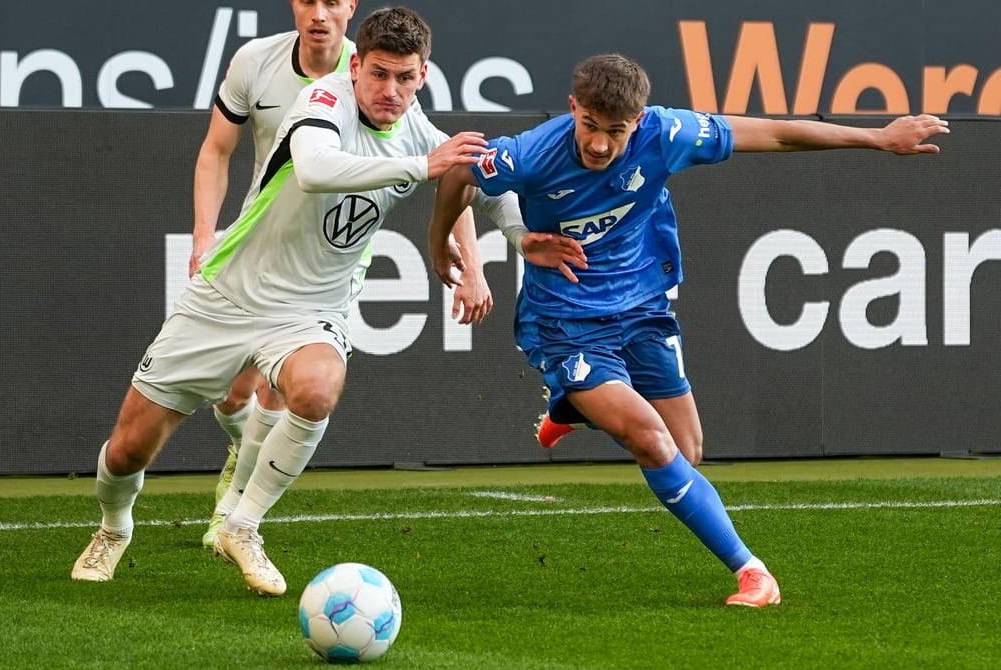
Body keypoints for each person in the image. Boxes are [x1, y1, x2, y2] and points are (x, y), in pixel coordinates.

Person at [72, 6, 577, 597]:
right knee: (129, 449)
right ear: (356, 65)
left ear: (424, 75)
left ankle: (243, 523)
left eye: (406, 78)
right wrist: (425, 167)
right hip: (227, 292)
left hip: (313, 310)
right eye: (380, 74)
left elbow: (481, 188)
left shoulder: (420, 129)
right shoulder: (322, 100)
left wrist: (519, 240)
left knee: (314, 390)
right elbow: (313, 169)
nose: (391, 91)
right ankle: (113, 527)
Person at [428, 53, 949, 607]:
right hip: (567, 320)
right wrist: (442, 246)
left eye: (617, 132)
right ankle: (753, 573)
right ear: (574, 107)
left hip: (643, 305)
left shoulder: (669, 132)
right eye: (590, 127)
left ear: (640, 119)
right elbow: (460, 173)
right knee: (651, 441)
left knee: (686, 449)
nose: (600, 145)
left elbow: (774, 135)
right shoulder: (533, 151)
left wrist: (876, 139)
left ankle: (572, 408)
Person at [190, 0, 492, 550]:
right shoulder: (261, 64)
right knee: (234, 398)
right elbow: (221, 151)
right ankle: (243, 455)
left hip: (325, 273)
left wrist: (475, 262)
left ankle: (234, 516)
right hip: (262, 244)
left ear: (351, 8)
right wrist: (203, 235)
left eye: (334, 1)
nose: (320, 13)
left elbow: (452, 168)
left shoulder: (386, 76)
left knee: (290, 388)